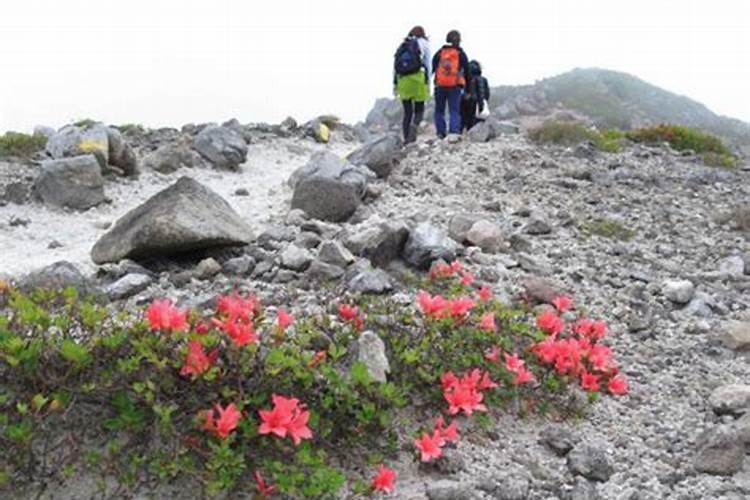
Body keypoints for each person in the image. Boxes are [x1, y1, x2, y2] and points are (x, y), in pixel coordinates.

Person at [393, 26, 432, 143]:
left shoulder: (403, 45)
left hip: (403, 81)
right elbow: (427, 64)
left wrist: (395, 85)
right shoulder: (424, 44)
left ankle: (406, 139)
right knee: (419, 109)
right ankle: (414, 125)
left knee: (407, 112)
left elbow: (395, 68)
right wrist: (428, 82)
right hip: (418, 79)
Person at [432, 30, 470, 138]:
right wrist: (468, 88)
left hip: (440, 85)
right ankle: (453, 131)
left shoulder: (440, 53)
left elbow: (433, 67)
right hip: (455, 85)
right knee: (454, 110)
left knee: (439, 110)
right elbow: (467, 71)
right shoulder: (460, 54)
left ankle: (440, 132)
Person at [461, 60, 491, 132]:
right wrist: (483, 102)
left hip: (465, 100)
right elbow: (485, 93)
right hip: (477, 102)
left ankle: (463, 133)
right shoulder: (483, 79)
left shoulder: (464, 79)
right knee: (476, 120)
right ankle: (475, 134)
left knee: (465, 119)